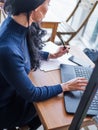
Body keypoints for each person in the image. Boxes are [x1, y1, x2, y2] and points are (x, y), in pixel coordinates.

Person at [0, 0, 88, 129]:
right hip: (6, 110)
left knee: (52, 96)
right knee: (53, 107)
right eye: (48, 3)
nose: (49, 8)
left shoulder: (14, 22)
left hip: (14, 93)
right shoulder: (7, 49)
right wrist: (65, 86)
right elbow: (32, 94)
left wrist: (50, 55)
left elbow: (21, 52)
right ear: (35, 8)